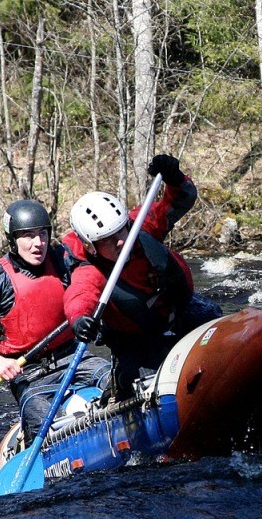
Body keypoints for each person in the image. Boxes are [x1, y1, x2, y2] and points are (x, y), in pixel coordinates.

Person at [0, 199, 110, 443]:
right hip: (29, 373)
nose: (38, 244)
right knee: (43, 422)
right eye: (28, 236)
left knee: (112, 378)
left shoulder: (63, 260)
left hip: (75, 357)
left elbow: (99, 269)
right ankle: (32, 442)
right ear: (12, 240)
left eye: (43, 234)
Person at [62, 154, 221, 401]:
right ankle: (120, 391)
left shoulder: (141, 226)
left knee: (215, 323)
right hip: (136, 339)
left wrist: (175, 177)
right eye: (108, 240)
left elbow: (180, 200)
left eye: (121, 231)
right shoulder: (89, 270)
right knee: (146, 380)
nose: (121, 241)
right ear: (91, 246)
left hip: (181, 312)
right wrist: (80, 320)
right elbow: (79, 297)